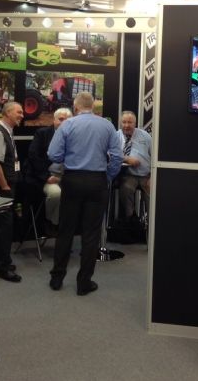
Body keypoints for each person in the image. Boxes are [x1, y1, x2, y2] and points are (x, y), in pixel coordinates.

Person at [47, 92, 123, 295]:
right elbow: (117, 156)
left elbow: (53, 154)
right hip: (97, 182)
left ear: (75, 106)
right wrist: (107, 176)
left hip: (72, 180)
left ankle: (56, 278)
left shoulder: (67, 125)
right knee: (91, 234)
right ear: (94, 106)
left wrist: (69, 156)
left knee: (65, 231)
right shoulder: (107, 126)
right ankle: (84, 283)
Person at [0, 101, 24, 283]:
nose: (22, 115)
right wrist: (5, 186)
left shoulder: (7, 131)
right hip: (1, 188)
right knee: (4, 228)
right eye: (19, 112)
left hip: (3, 187)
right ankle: (4, 268)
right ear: (7, 113)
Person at [25, 107, 72, 232]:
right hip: (46, 176)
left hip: (66, 177)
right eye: (61, 119)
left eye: (67, 120)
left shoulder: (74, 137)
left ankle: (68, 227)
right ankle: (51, 222)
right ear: (54, 120)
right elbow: (33, 156)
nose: (64, 122)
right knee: (56, 194)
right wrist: (47, 177)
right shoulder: (42, 133)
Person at [116, 111, 152, 225]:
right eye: (124, 122)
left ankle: (152, 222)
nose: (126, 125)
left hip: (146, 176)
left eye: (130, 122)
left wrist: (152, 176)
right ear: (120, 123)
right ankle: (131, 219)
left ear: (135, 123)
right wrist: (126, 158)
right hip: (129, 175)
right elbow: (111, 154)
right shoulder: (116, 136)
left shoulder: (145, 136)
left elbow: (155, 157)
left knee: (152, 195)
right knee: (126, 189)